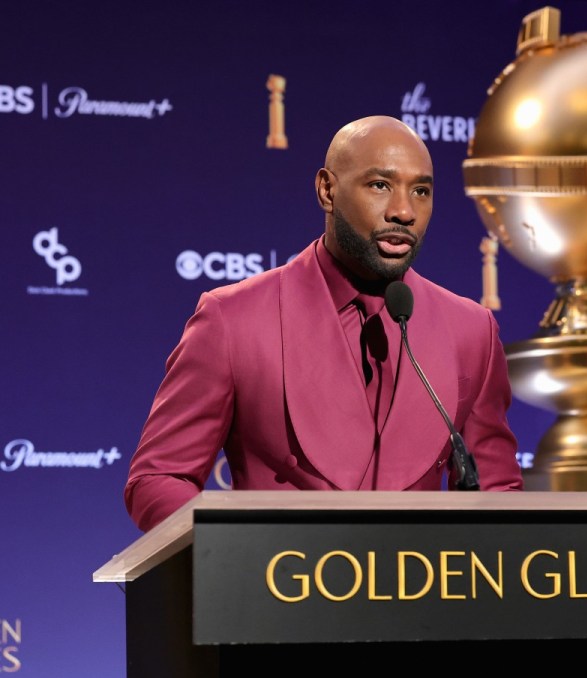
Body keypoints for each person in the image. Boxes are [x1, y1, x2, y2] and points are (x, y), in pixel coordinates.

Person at [125, 115, 523, 532]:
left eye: (420, 191)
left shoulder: (471, 330)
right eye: (380, 185)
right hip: (276, 586)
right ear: (327, 190)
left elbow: (495, 492)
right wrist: (231, 559)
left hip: (418, 589)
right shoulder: (234, 320)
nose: (404, 211)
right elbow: (158, 479)